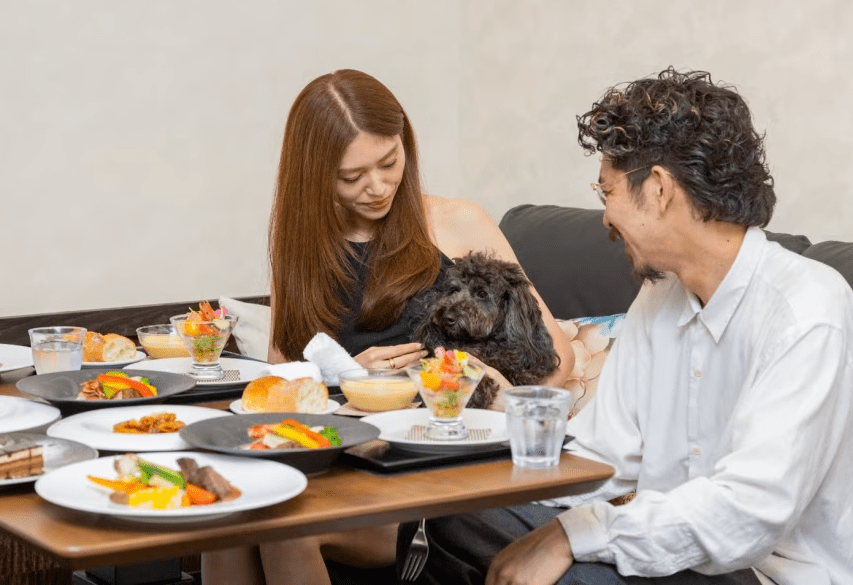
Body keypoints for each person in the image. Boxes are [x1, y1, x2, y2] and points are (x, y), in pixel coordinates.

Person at [400, 68, 853, 585]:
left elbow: (747, 516)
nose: (605, 218)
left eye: (606, 191)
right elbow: (600, 455)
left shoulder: (808, 311)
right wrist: (469, 447)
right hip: (675, 552)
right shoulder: (660, 299)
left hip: (771, 571)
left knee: (557, 573)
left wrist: (571, 537)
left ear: (658, 189)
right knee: (447, 517)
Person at [201, 68, 575, 585]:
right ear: (314, 177)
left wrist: (481, 396)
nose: (377, 188)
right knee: (224, 513)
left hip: (433, 469)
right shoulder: (304, 253)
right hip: (348, 459)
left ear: (407, 146)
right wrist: (347, 376)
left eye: (389, 162)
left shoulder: (456, 222)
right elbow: (278, 386)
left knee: (284, 526)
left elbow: (557, 355)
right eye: (351, 177)